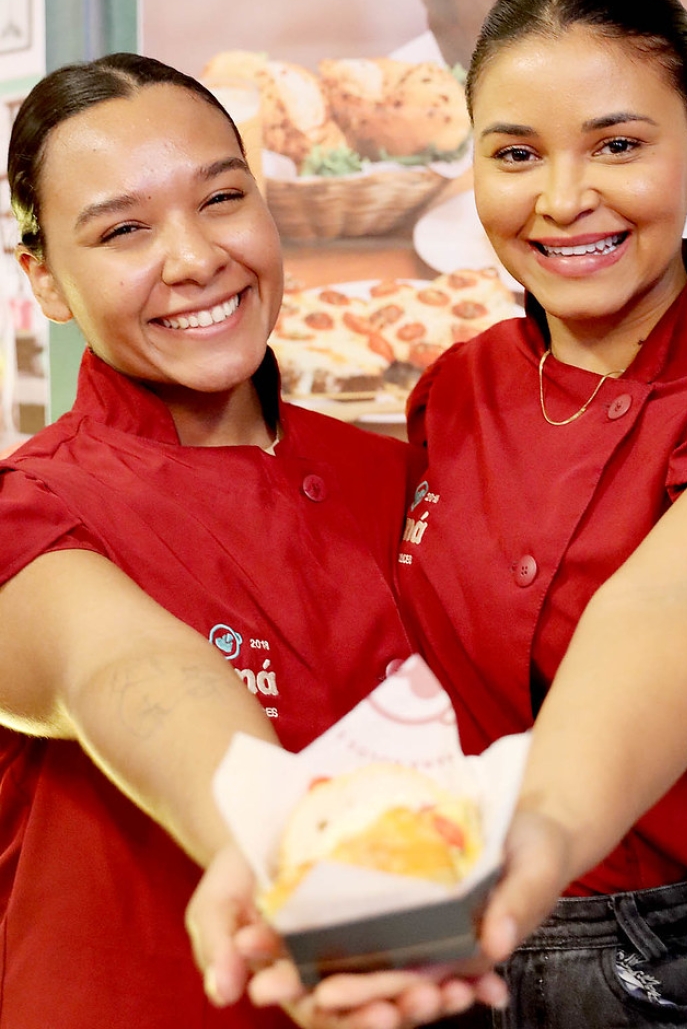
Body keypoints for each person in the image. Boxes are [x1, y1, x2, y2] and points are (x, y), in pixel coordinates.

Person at [189, 0, 687, 1029]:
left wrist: (540, 826)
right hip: (454, 947)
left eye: (618, 145)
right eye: (516, 154)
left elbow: (679, 606)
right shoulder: (456, 389)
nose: (563, 200)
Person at [0, 52, 418, 1029]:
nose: (193, 259)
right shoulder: (31, 506)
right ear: (46, 279)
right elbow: (123, 664)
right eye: (124, 230)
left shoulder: (397, 478)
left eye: (222, 199)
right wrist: (275, 845)